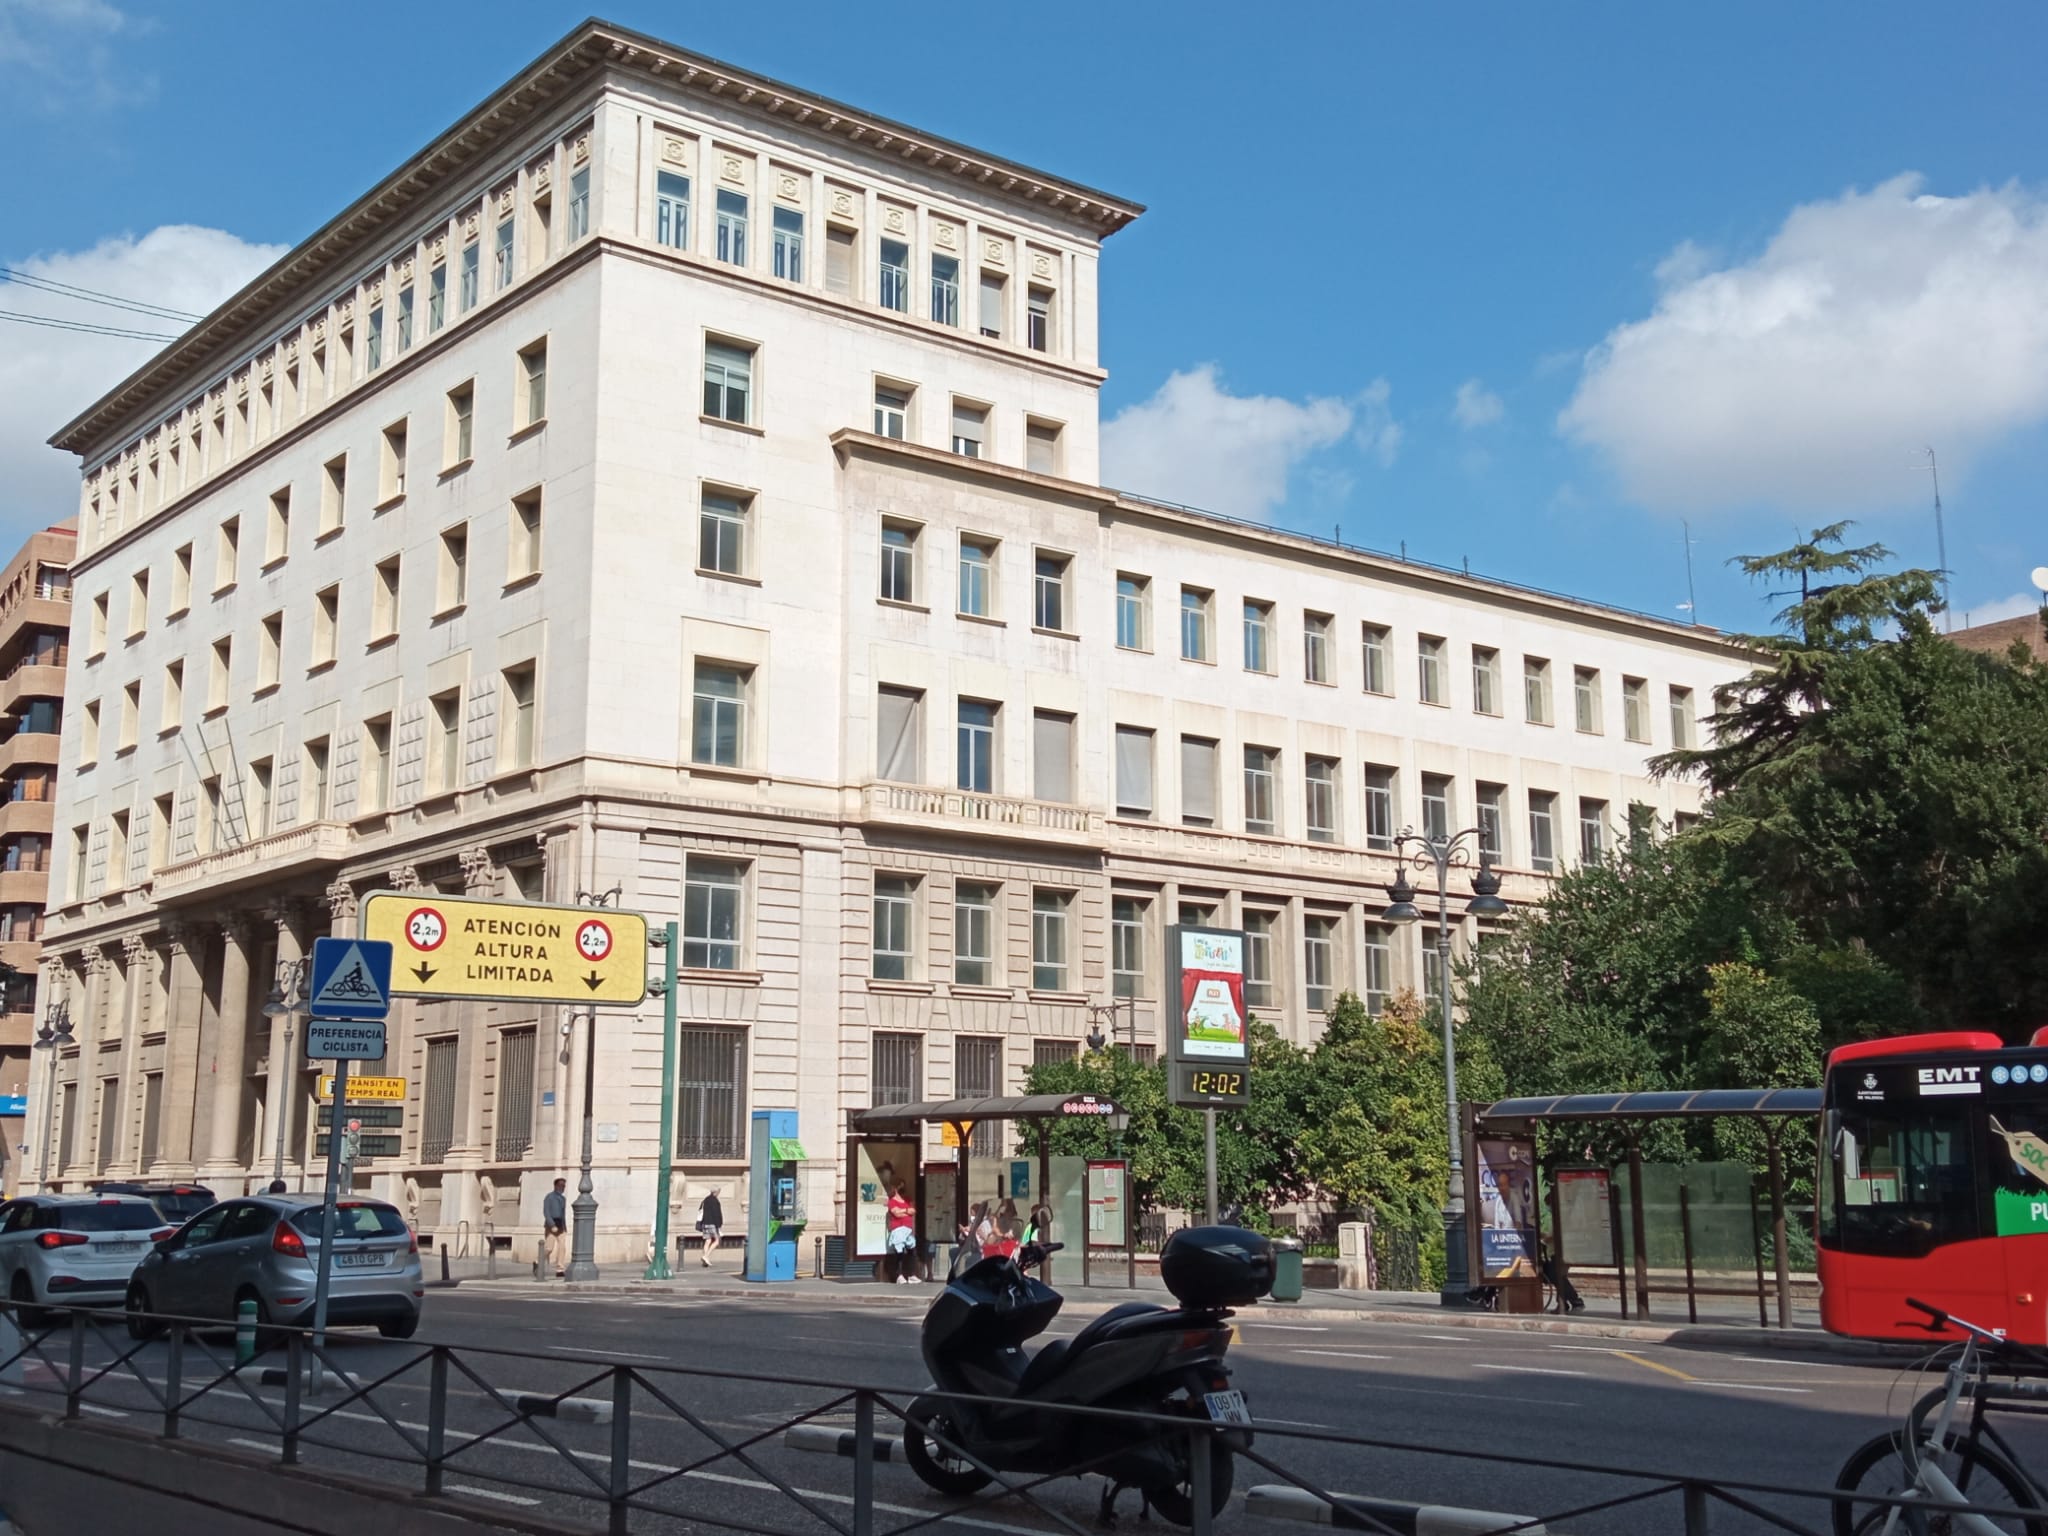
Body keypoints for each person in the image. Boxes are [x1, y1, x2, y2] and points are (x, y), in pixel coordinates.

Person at [886, 1180, 919, 1284]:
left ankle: (912, 1275)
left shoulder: (907, 1199)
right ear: (895, 1188)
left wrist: (903, 1211)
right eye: (900, 1186)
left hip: (908, 1229)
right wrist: (906, 1211)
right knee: (899, 1252)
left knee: (911, 1251)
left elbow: (913, 1211)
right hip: (898, 1228)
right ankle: (899, 1275)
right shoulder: (892, 1201)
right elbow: (896, 1214)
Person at [541, 1177, 569, 1278]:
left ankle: (560, 1269)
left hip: (561, 1225)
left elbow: (563, 1214)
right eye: (561, 1185)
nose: (563, 1187)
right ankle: (537, 1261)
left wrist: (564, 1227)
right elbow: (546, 1212)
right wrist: (551, 1225)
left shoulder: (563, 1199)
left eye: (564, 1186)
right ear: (556, 1186)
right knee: (549, 1248)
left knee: (562, 1247)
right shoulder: (549, 1197)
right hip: (551, 1224)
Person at [698, 1187, 724, 1266]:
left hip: (705, 1223)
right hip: (713, 1223)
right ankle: (706, 1256)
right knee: (716, 1241)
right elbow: (717, 1214)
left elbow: (700, 1211)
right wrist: (719, 1225)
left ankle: (706, 1260)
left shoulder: (705, 1200)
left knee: (708, 1240)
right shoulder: (715, 1201)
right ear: (716, 1192)